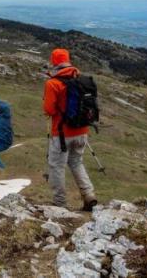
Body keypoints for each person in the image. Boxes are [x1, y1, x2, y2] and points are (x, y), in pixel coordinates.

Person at [44, 48, 98, 211]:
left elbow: (49, 110)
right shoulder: (81, 79)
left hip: (61, 134)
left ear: (54, 62)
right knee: (76, 162)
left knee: (57, 166)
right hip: (82, 131)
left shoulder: (53, 83)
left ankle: (60, 203)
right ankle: (89, 195)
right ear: (68, 61)